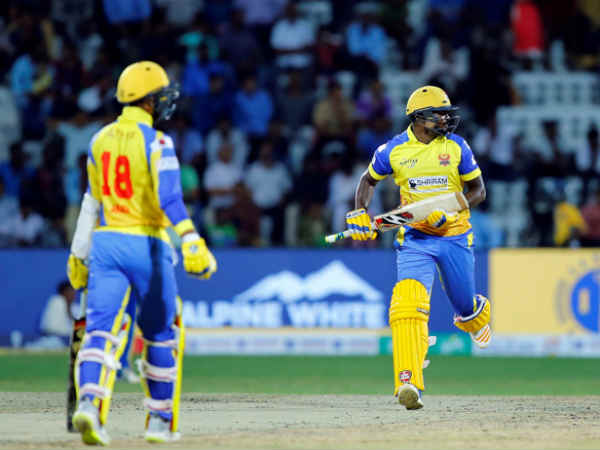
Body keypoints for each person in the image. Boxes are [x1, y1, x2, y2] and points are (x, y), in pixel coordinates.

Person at [66, 61, 217, 445]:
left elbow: (91, 203)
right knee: (162, 335)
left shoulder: (98, 140)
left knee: (100, 332)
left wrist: (78, 254)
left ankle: (89, 404)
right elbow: (170, 199)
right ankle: (159, 421)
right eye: (161, 96)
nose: (165, 102)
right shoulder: (159, 143)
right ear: (149, 101)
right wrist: (191, 239)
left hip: (106, 244)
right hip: (148, 246)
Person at [346, 86, 490, 410]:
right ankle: (408, 382)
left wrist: (451, 211)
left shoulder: (456, 146)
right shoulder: (393, 150)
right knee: (407, 303)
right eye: (439, 114)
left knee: (465, 306)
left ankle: (475, 317)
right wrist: (359, 212)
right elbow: (368, 180)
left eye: (447, 114)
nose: (446, 119)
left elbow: (478, 190)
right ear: (418, 117)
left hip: (455, 235)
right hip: (415, 240)